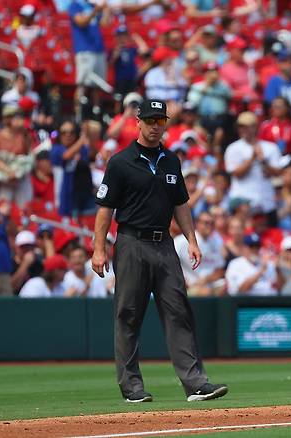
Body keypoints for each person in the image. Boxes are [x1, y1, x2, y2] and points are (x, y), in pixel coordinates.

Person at [92, 99, 228, 403]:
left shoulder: (171, 160)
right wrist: (98, 248)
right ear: (138, 122)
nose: (155, 126)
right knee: (128, 313)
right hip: (130, 241)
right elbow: (105, 210)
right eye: (150, 120)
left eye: (160, 121)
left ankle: (195, 383)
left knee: (178, 309)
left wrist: (191, 240)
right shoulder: (121, 161)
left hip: (164, 242)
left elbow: (181, 203)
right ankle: (132, 387)